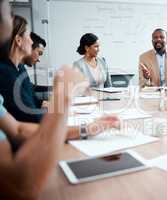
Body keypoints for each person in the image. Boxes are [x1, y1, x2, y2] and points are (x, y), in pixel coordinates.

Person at [0, 4, 118, 199]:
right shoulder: (4, 73)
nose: (32, 40)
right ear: (18, 40)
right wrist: (62, 96)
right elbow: (19, 187)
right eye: (5, 7)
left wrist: (86, 129)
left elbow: (19, 129)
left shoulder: (16, 69)